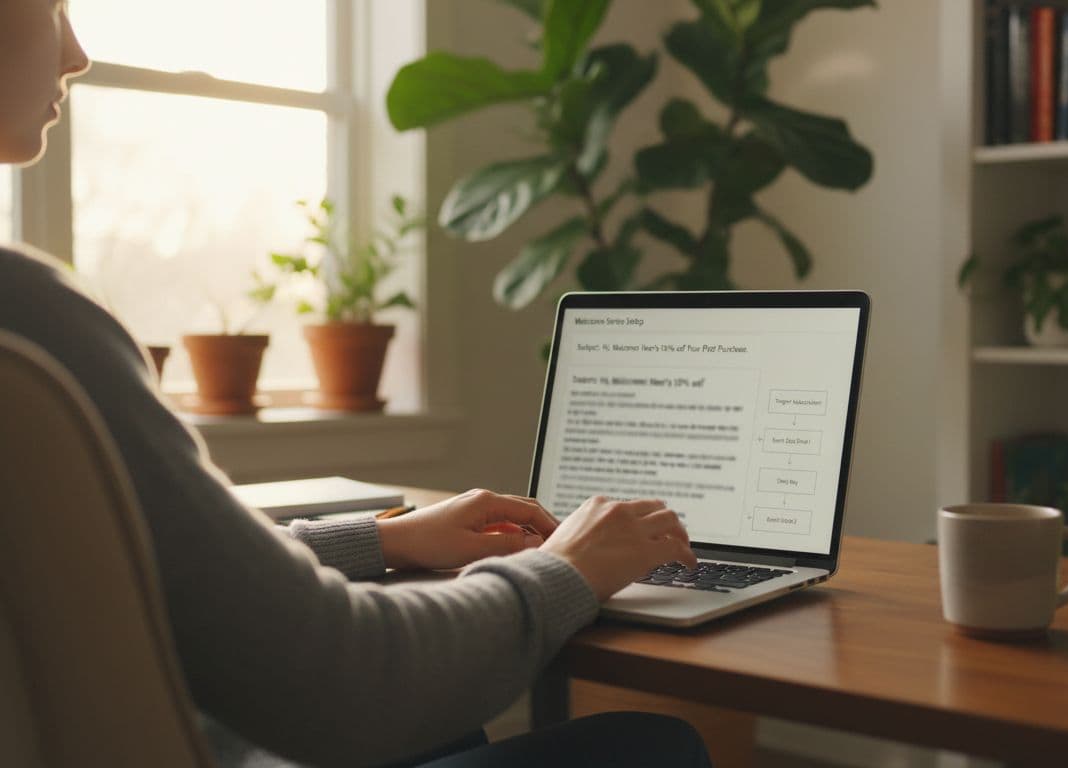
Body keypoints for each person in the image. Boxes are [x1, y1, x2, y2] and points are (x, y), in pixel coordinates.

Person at [0, 3, 711, 767]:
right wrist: (566, 568)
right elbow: (349, 682)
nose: (75, 54)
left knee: (453, 724)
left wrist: (382, 538)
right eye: (53, 8)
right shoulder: (30, 317)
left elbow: (157, 565)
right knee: (649, 746)